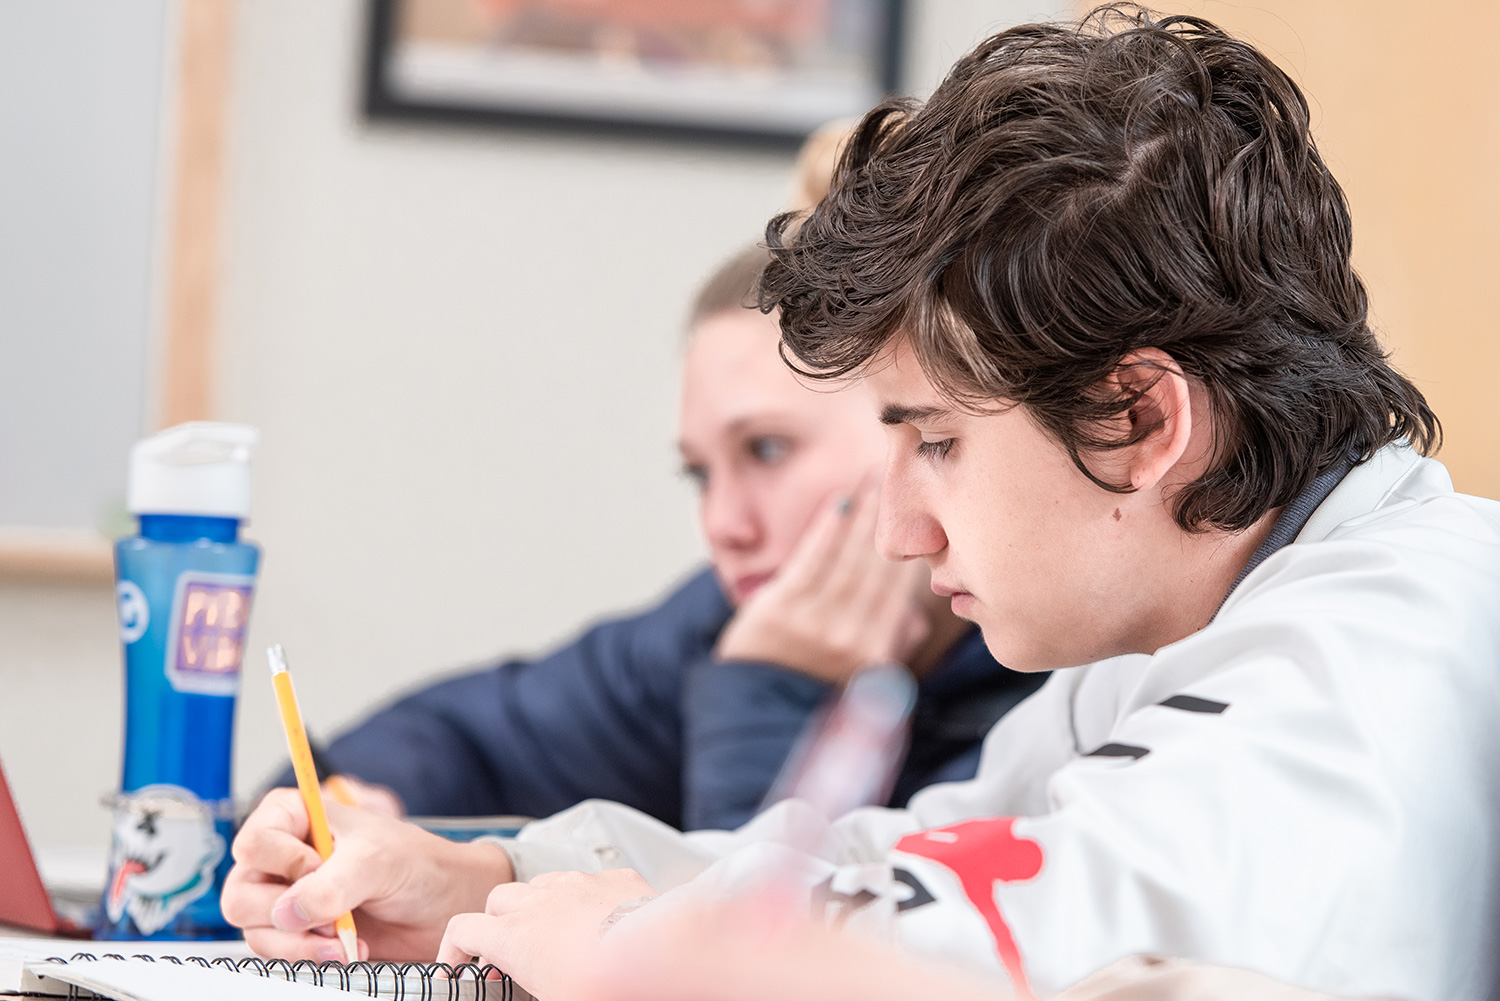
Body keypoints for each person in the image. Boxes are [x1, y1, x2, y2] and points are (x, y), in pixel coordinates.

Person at [225, 7, 1500, 1001]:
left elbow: (1020, 953)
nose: (897, 526)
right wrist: (489, 880)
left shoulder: (1371, 657)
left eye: (935, 440)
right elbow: (900, 865)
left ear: (1143, 419)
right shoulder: (1199, 633)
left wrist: (625, 945)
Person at [270, 243, 1040, 833]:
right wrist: (347, 806)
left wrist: (766, 690)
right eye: (700, 474)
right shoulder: (722, 619)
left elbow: (760, 966)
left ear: (914, 418)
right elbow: (472, 735)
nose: (722, 526)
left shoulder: (1066, 668)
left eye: (766, 450)